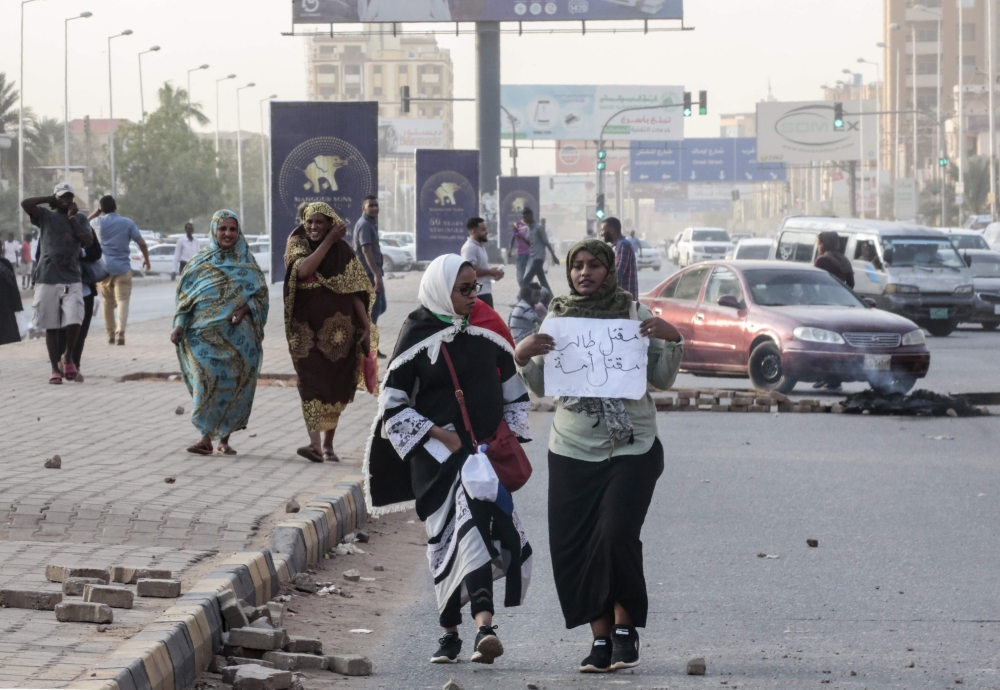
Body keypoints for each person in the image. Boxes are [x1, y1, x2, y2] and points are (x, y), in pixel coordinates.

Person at [514, 239, 683, 674]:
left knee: (614, 533)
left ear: (609, 270)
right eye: (577, 266)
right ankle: (600, 640)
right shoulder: (557, 319)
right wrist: (522, 356)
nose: (584, 273)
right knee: (578, 547)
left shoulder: (633, 314)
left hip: (632, 446)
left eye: (594, 265)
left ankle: (626, 628)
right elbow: (539, 385)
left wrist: (672, 338)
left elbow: (661, 379)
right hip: (571, 450)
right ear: (568, 272)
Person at [365, 254, 532, 666]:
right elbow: (392, 405)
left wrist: (503, 437)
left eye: (476, 287)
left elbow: (514, 391)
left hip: (483, 460)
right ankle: (450, 633)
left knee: (476, 533)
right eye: (464, 289)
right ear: (442, 289)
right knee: (447, 543)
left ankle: (483, 628)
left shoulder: (486, 330)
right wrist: (441, 435)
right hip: (436, 462)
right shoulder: (417, 333)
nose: (473, 296)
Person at [170, 210, 269, 456]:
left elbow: (261, 296)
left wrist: (245, 310)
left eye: (232, 229)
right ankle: (205, 438)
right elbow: (186, 300)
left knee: (232, 385)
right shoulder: (199, 262)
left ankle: (224, 439)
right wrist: (180, 325)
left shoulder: (247, 262)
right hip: (201, 338)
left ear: (239, 232)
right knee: (206, 381)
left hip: (239, 339)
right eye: (222, 228)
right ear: (214, 231)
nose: (227, 233)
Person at [284, 202, 376, 464]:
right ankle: (314, 444)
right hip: (305, 331)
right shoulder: (297, 242)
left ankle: (328, 445)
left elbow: (356, 290)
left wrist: (366, 325)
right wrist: (328, 242)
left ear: (329, 223)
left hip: (340, 332)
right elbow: (302, 271)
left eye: (319, 222)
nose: (313, 227)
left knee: (336, 383)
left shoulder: (344, 251)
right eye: (309, 222)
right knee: (309, 382)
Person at [21, 183, 95, 384]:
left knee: (74, 320)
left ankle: (68, 355)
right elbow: (25, 203)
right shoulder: (45, 216)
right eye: (62, 196)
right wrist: (49, 198)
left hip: (71, 278)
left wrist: (72, 219)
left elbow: (88, 241)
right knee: (51, 325)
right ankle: (55, 369)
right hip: (47, 278)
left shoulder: (79, 218)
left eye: (69, 196)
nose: (66, 199)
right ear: (55, 198)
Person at [90, 196, 150, 346]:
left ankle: (110, 335)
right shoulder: (127, 223)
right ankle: (120, 331)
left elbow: (83, 221)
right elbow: (141, 243)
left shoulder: (98, 222)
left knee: (107, 302)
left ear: (102, 208)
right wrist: (146, 259)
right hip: (123, 268)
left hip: (103, 269)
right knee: (123, 300)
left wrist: (98, 211)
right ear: (116, 206)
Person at [56, 235, 103, 382]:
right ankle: (59, 363)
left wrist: (81, 252)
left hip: (84, 290)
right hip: (59, 287)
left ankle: (75, 364)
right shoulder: (51, 225)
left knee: (81, 332)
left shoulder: (83, 226)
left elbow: (96, 252)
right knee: (61, 329)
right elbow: (41, 254)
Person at [352, 195, 387, 357]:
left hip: (374, 273)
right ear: (363, 208)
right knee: (373, 311)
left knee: (380, 307)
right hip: (368, 275)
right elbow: (366, 250)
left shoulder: (370, 223)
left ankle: (364, 337)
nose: (374, 208)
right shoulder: (365, 224)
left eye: (376, 205)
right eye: (370, 205)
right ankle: (368, 346)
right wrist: (375, 275)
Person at [461, 216, 504, 309]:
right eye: (483, 229)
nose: (487, 232)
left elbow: (480, 269)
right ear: (473, 231)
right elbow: (469, 273)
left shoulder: (479, 246)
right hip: (478, 294)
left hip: (485, 292)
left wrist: (494, 273)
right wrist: (490, 272)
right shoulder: (470, 248)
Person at [520, 207, 559, 292]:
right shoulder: (528, 229)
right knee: (543, 281)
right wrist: (523, 239)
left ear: (531, 216)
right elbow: (530, 244)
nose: (525, 219)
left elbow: (546, 243)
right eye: (524, 218)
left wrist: (554, 256)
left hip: (539, 257)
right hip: (534, 257)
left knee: (527, 279)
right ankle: (551, 299)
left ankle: (522, 299)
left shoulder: (539, 228)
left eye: (526, 217)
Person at [601, 217, 638, 301]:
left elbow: (617, 273)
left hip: (624, 302)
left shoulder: (623, 245)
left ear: (611, 230)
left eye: (602, 230)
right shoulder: (616, 246)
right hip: (620, 300)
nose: (601, 233)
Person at [0, 255, 22, 345]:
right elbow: (13, 287)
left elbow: (13, 286)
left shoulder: (5, 263)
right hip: (7, 307)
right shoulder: (4, 264)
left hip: (6, 306)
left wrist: (17, 306)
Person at [508, 218, 531, 286]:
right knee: (520, 276)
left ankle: (528, 290)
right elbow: (513, 238)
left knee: (530, 273)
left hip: (530, 253)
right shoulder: (517, 224)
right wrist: (510, 250)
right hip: (521, 254)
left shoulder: (531, 225)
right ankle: (523, 289)